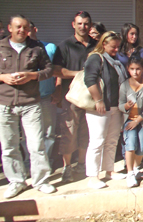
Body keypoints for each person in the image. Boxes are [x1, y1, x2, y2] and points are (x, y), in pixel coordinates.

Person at [0, 15, 56, 199]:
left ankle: (41, 181)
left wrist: (32, 76)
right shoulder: (1, 46)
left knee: (36, 144)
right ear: (10, 28)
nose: (21, 31)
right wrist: (3, 78)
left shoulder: (36, 47)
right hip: (5, 103)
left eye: (25, 28)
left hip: (31, 103)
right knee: (9, 145)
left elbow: (49, 70)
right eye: (18, 27)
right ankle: (16, 181)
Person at [52, 11, 96, 183]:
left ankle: (81, 163)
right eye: (79, 24)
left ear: (90, 25)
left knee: (86, 132)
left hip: (91, 97)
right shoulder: (64, 46)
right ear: (73, 25)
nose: (83, 27)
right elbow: (57, 71)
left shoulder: (96, 45)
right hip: (71, 97)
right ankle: (67, 166)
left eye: (86, 24)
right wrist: (80, 74)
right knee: (69, 132)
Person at [84, 31, 128, 189]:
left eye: (118, 47)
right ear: (103, 44)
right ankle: (93, 175)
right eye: (113, 47)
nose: (116, 50)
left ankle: (109, 170)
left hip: (115, 106)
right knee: (97, 141)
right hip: (101, 108)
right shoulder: (96, 58)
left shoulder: (115, 61)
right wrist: (98, 100)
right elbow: (89, 79)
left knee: (112, 140)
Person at [21, 22, 58, 169]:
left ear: (35, 30)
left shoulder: (49, 47)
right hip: (26, 99)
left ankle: (45, 162)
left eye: (28, 29)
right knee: (27, 135)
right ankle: (29, 162)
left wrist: (58, 90)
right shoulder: (19, 51)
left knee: (49, 133)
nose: (25, 32)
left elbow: (57, 71)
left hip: (47, 97)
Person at [119, 56, 143, 188]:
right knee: (130, 144)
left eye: (138, 69)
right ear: (128, 69)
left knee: (141, 147)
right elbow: (120, 105)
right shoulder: (124, 85)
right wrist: (126, 107)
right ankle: (129, 173)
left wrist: (138, 121)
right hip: (129, 121)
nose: (135, 72)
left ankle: (135, 168)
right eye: (132, 69)